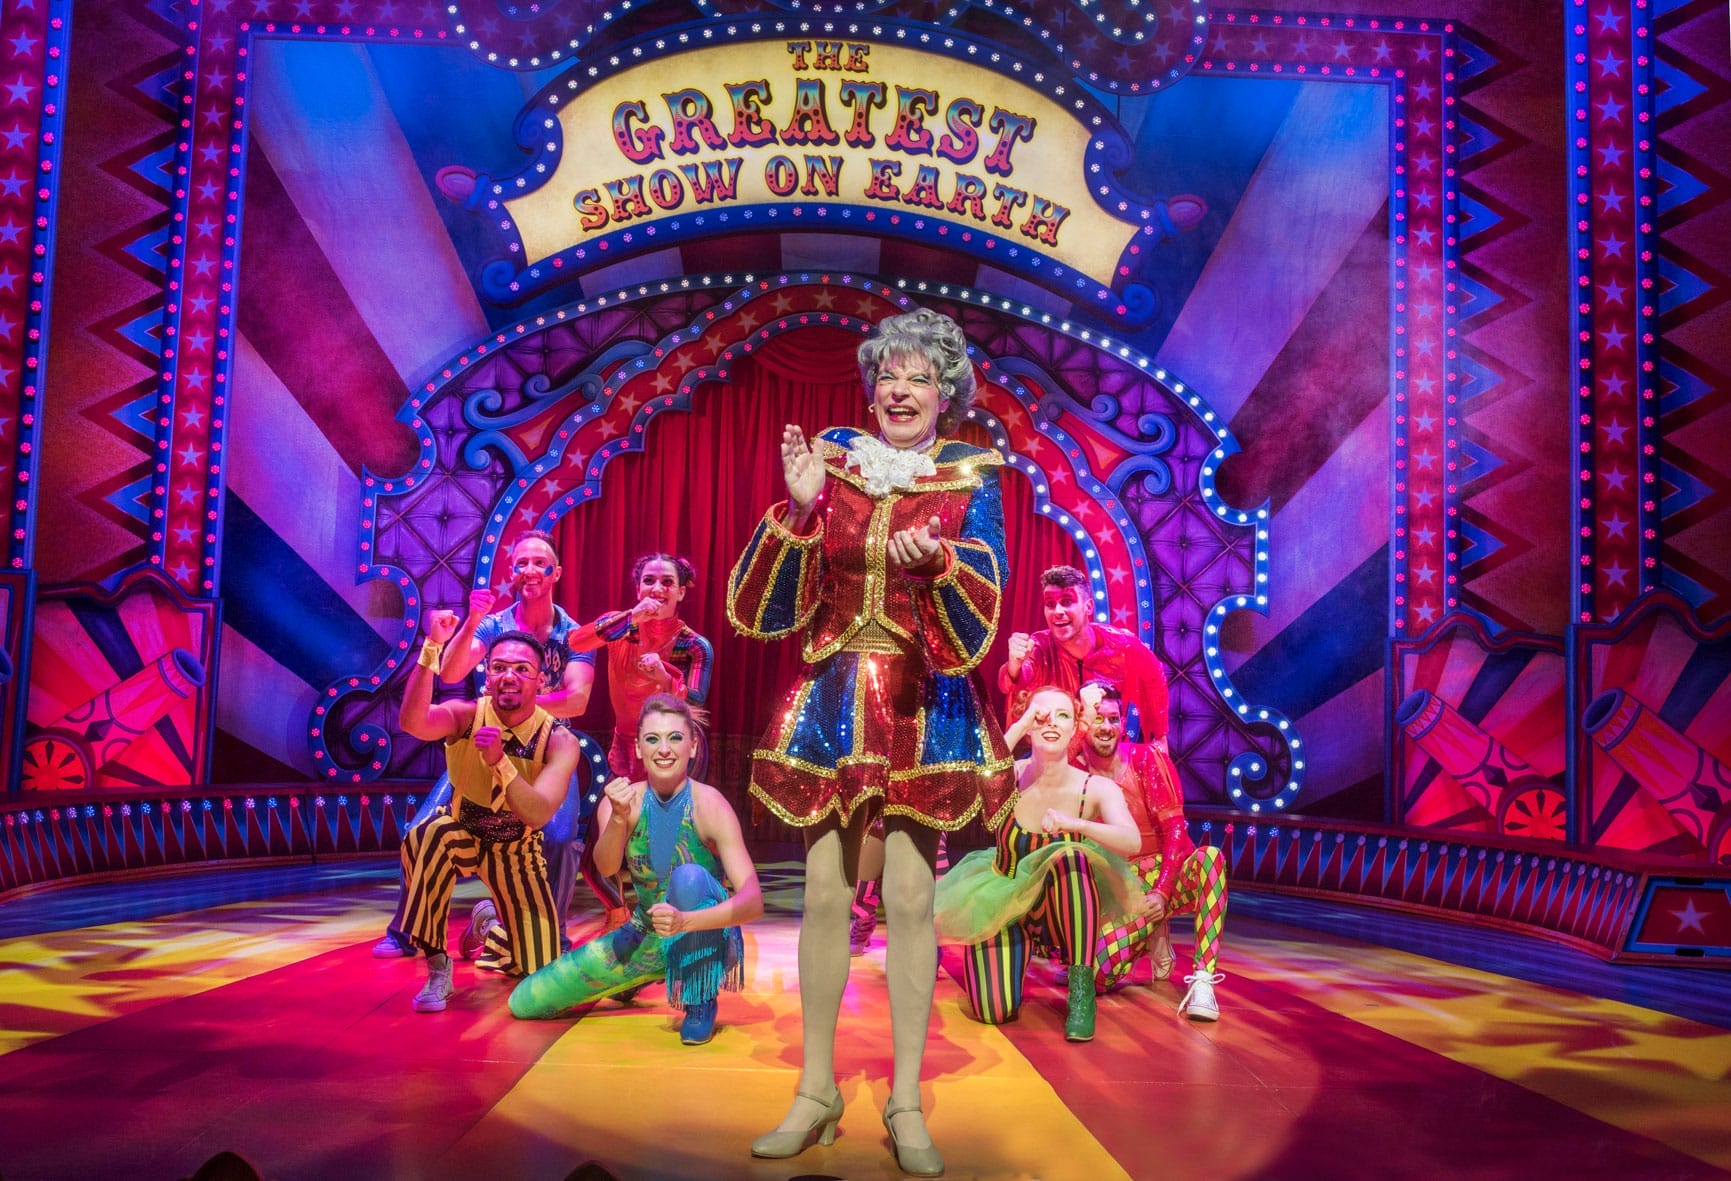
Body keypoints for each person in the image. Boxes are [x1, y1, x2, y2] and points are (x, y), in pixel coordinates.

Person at [728, 306, 1013, 1176]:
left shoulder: (971, 476)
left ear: (945, 393)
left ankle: (905, 1100)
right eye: (888, 374)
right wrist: (804, 508)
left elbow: (984, 603)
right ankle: (814, 1093)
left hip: (923, 699)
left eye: (919, 377)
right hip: (833, 695)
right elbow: (765, 610)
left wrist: (943, 566)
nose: (899, 389)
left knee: (910, 901)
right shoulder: (835, 464)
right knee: (819, 896)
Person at [372, 530, 598, 958]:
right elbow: (453, 674)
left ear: (557, 573)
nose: (529, 570)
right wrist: (473, 621)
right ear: (512, 573)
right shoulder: (494, 624)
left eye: (539, 562)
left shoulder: (573, 635)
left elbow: (577, 700)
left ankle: (554, 934)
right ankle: (404, 929)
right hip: (482, 743)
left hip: (540, 749)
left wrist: (518, 706)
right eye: (521, 563)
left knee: (560, 838)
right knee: (421, 829)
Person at [509, 694, 762, 1046]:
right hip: (644, 931)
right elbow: (605, 867)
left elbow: (752, 902)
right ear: (639, 749)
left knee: (687, 878)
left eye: (675, 737)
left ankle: (699, 998)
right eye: (653, 739)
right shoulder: (623, 800)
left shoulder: (710, 804)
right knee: (525, 1002)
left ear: (692, 747)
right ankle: (645, 971)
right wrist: (616, 816)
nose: (664, 749)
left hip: (701, 933)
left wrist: (685, 923)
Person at [389, 615, 578, 1012]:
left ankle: (489, 928)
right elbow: (412, 721)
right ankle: (438, 965)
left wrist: (500, 763)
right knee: (427, 832)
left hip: (516, 846)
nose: (510, 676)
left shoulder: (558, 740)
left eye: (522, 669)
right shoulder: (464, 715)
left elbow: (539, 813)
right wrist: (431, 647)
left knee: (540, 970)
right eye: (499, 668)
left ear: (541, 680)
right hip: (463, 829)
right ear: (487, 676)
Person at [933, 687, 1142, 1042]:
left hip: (1063, 905)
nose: (1051, 723)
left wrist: (1076, 825)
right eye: (1040, 715)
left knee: (1072, 857)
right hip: (1006, 904)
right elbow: (963, 785)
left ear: (1077, 725)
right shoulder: (1006, 776)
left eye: (1062, 715)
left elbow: (1131, 840)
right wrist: (1019, 724)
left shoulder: (1093, 787)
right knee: (992, 1012)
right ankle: (1015, 957)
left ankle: (1081, 989)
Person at [567, 553, 715, 931]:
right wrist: (632, 617)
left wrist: (665, 678)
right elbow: (576, 639)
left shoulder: (694, 645)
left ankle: (678, 923)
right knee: (598, 850)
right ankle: (619, 917)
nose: (658, 589)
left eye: (667, 582)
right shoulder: (622, 626)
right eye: (649, 580)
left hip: (673, 752)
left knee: (669, 846)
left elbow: (692, 707)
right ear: (638, 588)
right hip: (625, 747)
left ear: (681, 592)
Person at [1078, 683, 1228, 1021]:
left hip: (1164, 875)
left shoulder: (1146, 758)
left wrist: (1161, 892)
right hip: (1118, 887)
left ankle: (1203, 979)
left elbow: (1176, 830)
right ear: (1081, 721)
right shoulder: (1072, 768)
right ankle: (1150, 936)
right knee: (1098, 977)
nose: (1106, 727)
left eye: (1113, 718)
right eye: (1096, 718)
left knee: (1210, 860)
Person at [999, 565, 1170, 743]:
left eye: (1066, 602)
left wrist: (1160, 735)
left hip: (1108, 753)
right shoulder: (1039, 646)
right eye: (1050, 604)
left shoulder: (1123, 645)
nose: (1057, 611)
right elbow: (1010, 684)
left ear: (1088, 606)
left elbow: (1155, 676)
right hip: (1057, 756)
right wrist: (1014, 665)